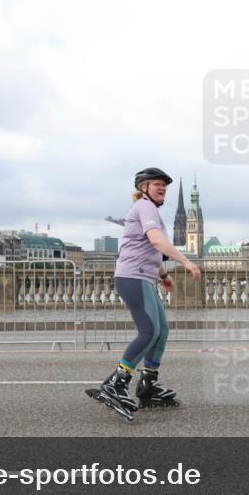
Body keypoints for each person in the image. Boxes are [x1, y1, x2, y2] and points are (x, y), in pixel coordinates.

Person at [87, 167, 201, 421]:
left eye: (164, 185)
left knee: (161, 330)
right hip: (132, 277)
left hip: (143, 278)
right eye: (157, 184)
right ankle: (116, 384)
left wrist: (164, 275)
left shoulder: (151, 211)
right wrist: (186, 262)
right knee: (149, 331)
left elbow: (150, 249)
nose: (162, 188)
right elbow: (158, 242)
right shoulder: (145, 207)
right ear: (143, 188)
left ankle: (148, 383)